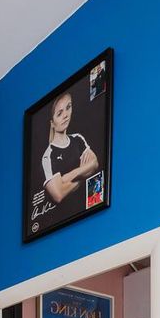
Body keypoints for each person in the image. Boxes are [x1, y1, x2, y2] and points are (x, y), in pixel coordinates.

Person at [40, 92, 100, 223]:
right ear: (52, 123)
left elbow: (95, 163)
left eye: (68, 107)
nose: (66, 115)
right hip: (63, 220)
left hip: (90, 213)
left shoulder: (78, 139)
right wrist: (84, 173)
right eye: (59, 113)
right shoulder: (48, 156)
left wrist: (68, 176)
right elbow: (59, 195)